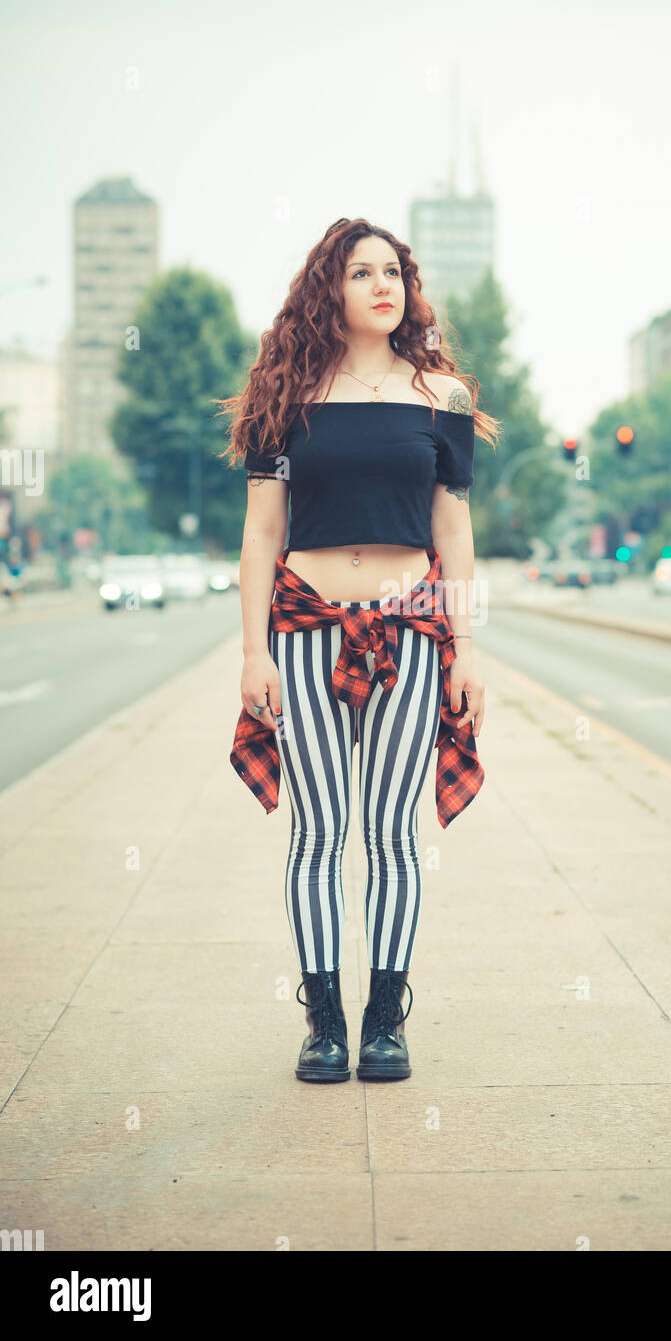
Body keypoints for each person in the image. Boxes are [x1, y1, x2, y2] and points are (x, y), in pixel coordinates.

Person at [221, 218, 501, 1084]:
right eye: (361, 273)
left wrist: (466, 647)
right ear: (328, 291)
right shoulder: (285, 393)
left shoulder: (441, 396)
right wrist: (252, 652)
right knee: (318, 834)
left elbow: (452, 527)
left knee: (390, 836)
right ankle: (323, 1025)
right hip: (304, 630)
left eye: (394, 272)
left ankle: (385, 1018)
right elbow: (260, 534)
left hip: (412, 633)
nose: (383, 286)